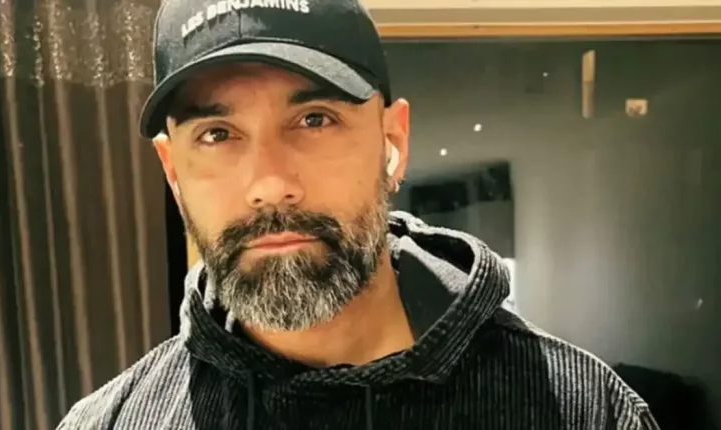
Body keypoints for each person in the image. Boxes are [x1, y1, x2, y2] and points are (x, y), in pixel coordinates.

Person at [58, 0, 660, 429]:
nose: (270, 185)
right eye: (217, 134)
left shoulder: (584, 411)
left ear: (392, 139)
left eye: (314, 119)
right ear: (172, 171)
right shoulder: (108, 422)